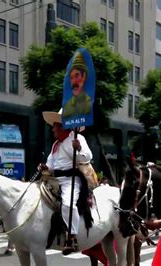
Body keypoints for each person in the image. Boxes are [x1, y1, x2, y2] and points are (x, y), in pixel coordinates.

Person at [40, 108, 93, 255]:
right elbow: (51, 165)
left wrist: (78, 148)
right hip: (55, 179)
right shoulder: (55, 144)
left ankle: (72, 237)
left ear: (63, 125)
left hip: (71, 179)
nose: (53, 130)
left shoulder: (77, 139)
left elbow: (87, 157)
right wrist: (45, 167)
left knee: (68, 204)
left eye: (55, 126)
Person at [62, 52, 92, 118]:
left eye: (76, 76)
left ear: (84, 76)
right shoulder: (67, 106)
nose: (74, 81)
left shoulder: (90, 103)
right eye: (71, 78)